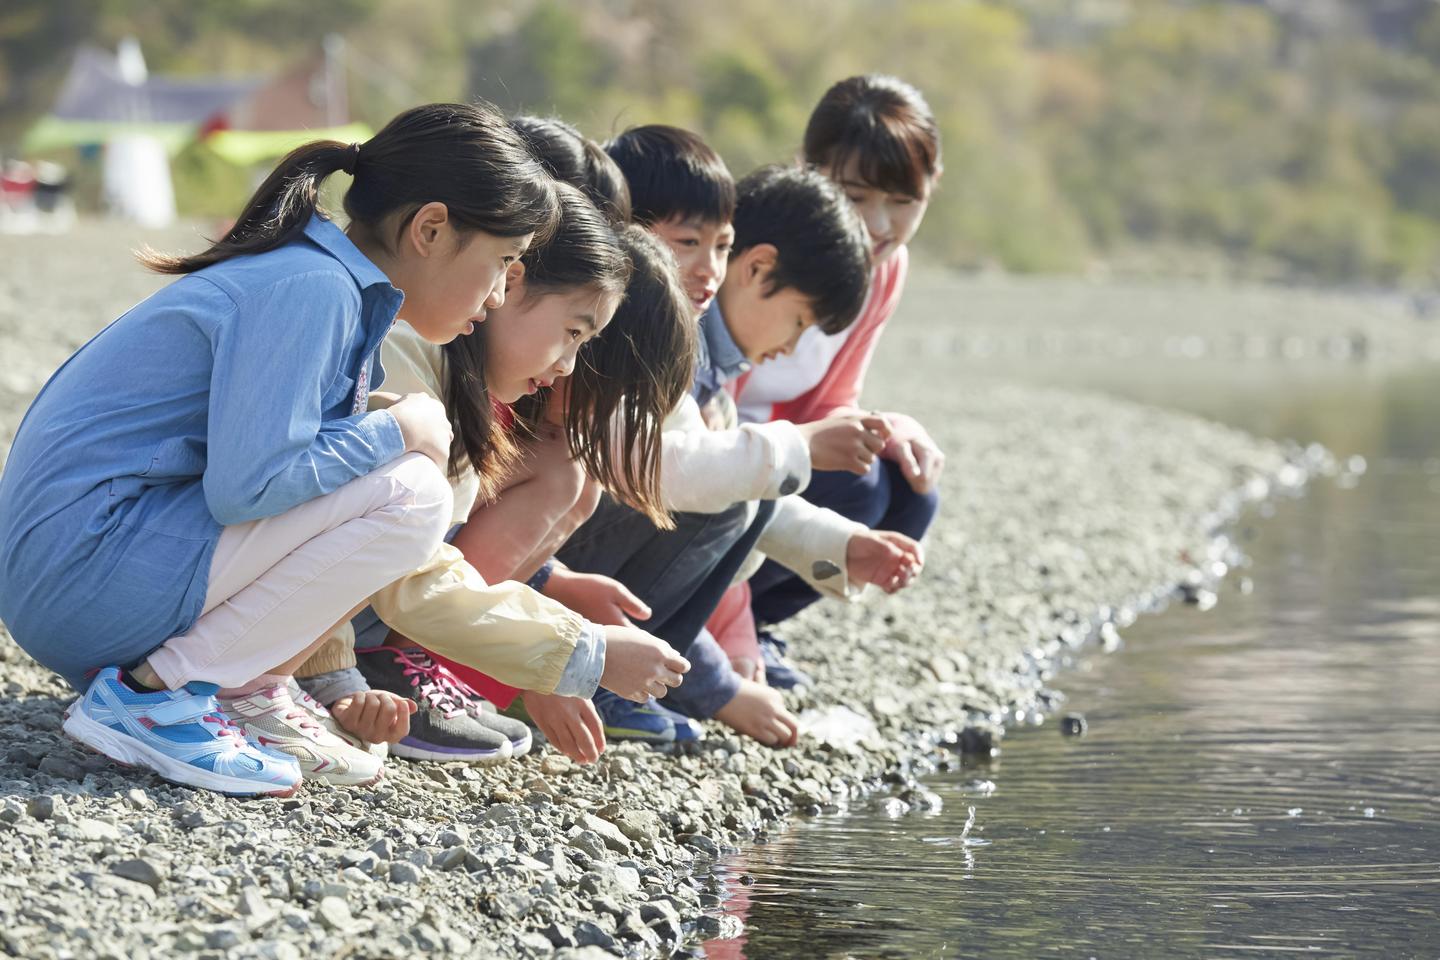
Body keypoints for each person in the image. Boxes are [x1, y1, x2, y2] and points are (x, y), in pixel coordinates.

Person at [0, 102, 560, 794]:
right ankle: (153, 698)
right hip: (81, 580)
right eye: (503, 260)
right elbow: (250, 487)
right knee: (415, 492)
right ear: (431, 228)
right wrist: (396, 429)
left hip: (81, 575)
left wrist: (383, 428)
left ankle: (238, 690)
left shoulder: (323, 279)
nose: (502, 292)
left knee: (400, 465)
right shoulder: (312, 289)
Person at [296, 182, 697, 766]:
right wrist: (586, 653)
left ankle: (322, 671)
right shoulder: (405, 355)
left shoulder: (446, 367)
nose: (566, 368)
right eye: (572, 334)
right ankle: (361, 665)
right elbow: (405, 570)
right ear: (510, 281)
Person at [560, 131, 923, 746]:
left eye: (719, 246)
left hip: (558, 568)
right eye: (802, 323)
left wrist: (845, 547)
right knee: (736, 494)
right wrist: (720, 690)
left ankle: (621, 678)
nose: (792, 348)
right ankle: (602, 681)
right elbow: (668, 474)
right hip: (545, 566)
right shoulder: (645, 337)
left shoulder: (705, 363)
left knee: (773, 492)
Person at [731, 75, 945, 688]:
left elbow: (830, 402)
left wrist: (891, 425)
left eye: (903, 202)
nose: (879, 226)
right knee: (855, 487)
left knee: (900, 485)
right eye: (856, 195)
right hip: (700, 457)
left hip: (775, 451)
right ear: (808, 169)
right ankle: (710, 624)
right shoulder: (758, 249)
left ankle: (755, 620)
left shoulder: (885, 268)